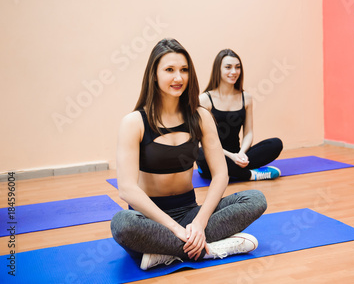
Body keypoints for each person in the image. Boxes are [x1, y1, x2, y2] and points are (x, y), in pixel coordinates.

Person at [110, 39, 267, 271]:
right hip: (151, 219)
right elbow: (126, 189)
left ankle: (165, 253)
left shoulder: (201, 116)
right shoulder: (134, 122)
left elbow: (221, 175)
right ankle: (209, 249)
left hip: (191, 212)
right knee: (122, 224)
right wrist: (176, 229)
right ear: (154, 74)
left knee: (255, 200)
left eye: (184, 70)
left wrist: (200, 223)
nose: (178, 78)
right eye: (169, 70)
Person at [197, 49, 283, 181]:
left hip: (238, 155)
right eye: (228, 67)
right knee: (200, 152)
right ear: (218, 70)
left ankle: (235, 170)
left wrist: (241, 154)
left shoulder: (246, 98)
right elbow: (204, 140)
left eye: (237, 67)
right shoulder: (204, 99)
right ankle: (250, 175)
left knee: (276, 143)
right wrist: (231, 156)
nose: (234, 72)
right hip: (215, 155)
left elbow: (248, 133)